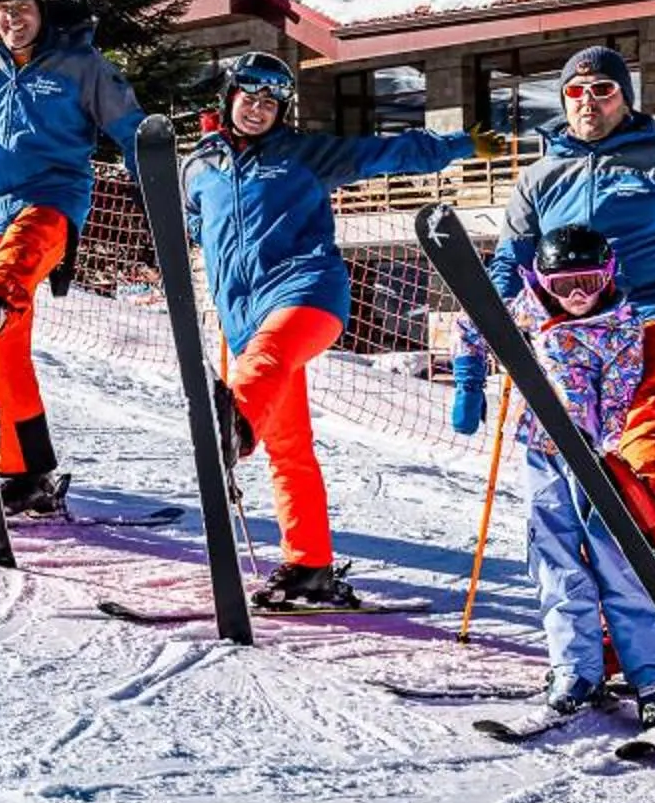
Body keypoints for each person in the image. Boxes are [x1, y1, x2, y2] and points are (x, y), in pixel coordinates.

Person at [181, 52, 511, 607]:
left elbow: (384, 152)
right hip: (242, 316)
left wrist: (457, 146)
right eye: (249, 97)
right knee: (289, 448)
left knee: (266, 361)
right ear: (228, 96)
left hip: (308, 294)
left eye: (270, 102)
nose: (258, 110)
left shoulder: (304, 154)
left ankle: (233, 431)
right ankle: (308, 566)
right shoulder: (199, 167)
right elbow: (194, 222)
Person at [468, 44, 655, 536]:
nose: (588, 101)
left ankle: (646, 511)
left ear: (626, 98)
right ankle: (580, 528)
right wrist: (495, 326)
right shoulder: (540, 177)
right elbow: (511, 260)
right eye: (575, 91)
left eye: (603, 90)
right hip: (571, 322)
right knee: (570, 427)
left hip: (653, 309)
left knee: (652, 395)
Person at [453, 225, 655, 735]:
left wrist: (604, 456)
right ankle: (575, 674)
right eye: (563, 285)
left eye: (588, 281)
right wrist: (468, 383)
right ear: (542, 282)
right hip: (540, 453)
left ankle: (653, 680)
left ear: (608, 276)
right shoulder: (524, 312)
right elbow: (470, 326)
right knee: (554, 562)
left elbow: (621, 402)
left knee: (616, 562)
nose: (578, 295)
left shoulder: (622, 328)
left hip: (597, 461)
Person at [0, 0, 145, 516]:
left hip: (53, 201)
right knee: (6, 355)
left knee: (18, 262)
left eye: (23, 10)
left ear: (41, 10)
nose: (14, 21)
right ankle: (27, 471)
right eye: (4, 12)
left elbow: (129, 126)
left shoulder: (80, 64)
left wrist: (156, 177)